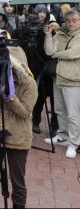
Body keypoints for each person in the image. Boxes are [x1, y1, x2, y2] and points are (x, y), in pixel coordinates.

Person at [0, 49, 38, 208]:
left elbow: (25, 112)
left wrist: (9, 93)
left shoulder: (29, 83)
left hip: (18, 137)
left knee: (18, 182)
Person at [43, 10, 80, 158]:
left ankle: (74, 142)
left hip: (73, 80)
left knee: (73, 114)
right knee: (59, 110)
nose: (71, 23)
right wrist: (47, 36)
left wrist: (56, 54)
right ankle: (62, 135)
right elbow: (48, 50)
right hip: (58, 77)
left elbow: (72, 53)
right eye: (68, 20)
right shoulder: (60, 33)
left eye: (75, 20)